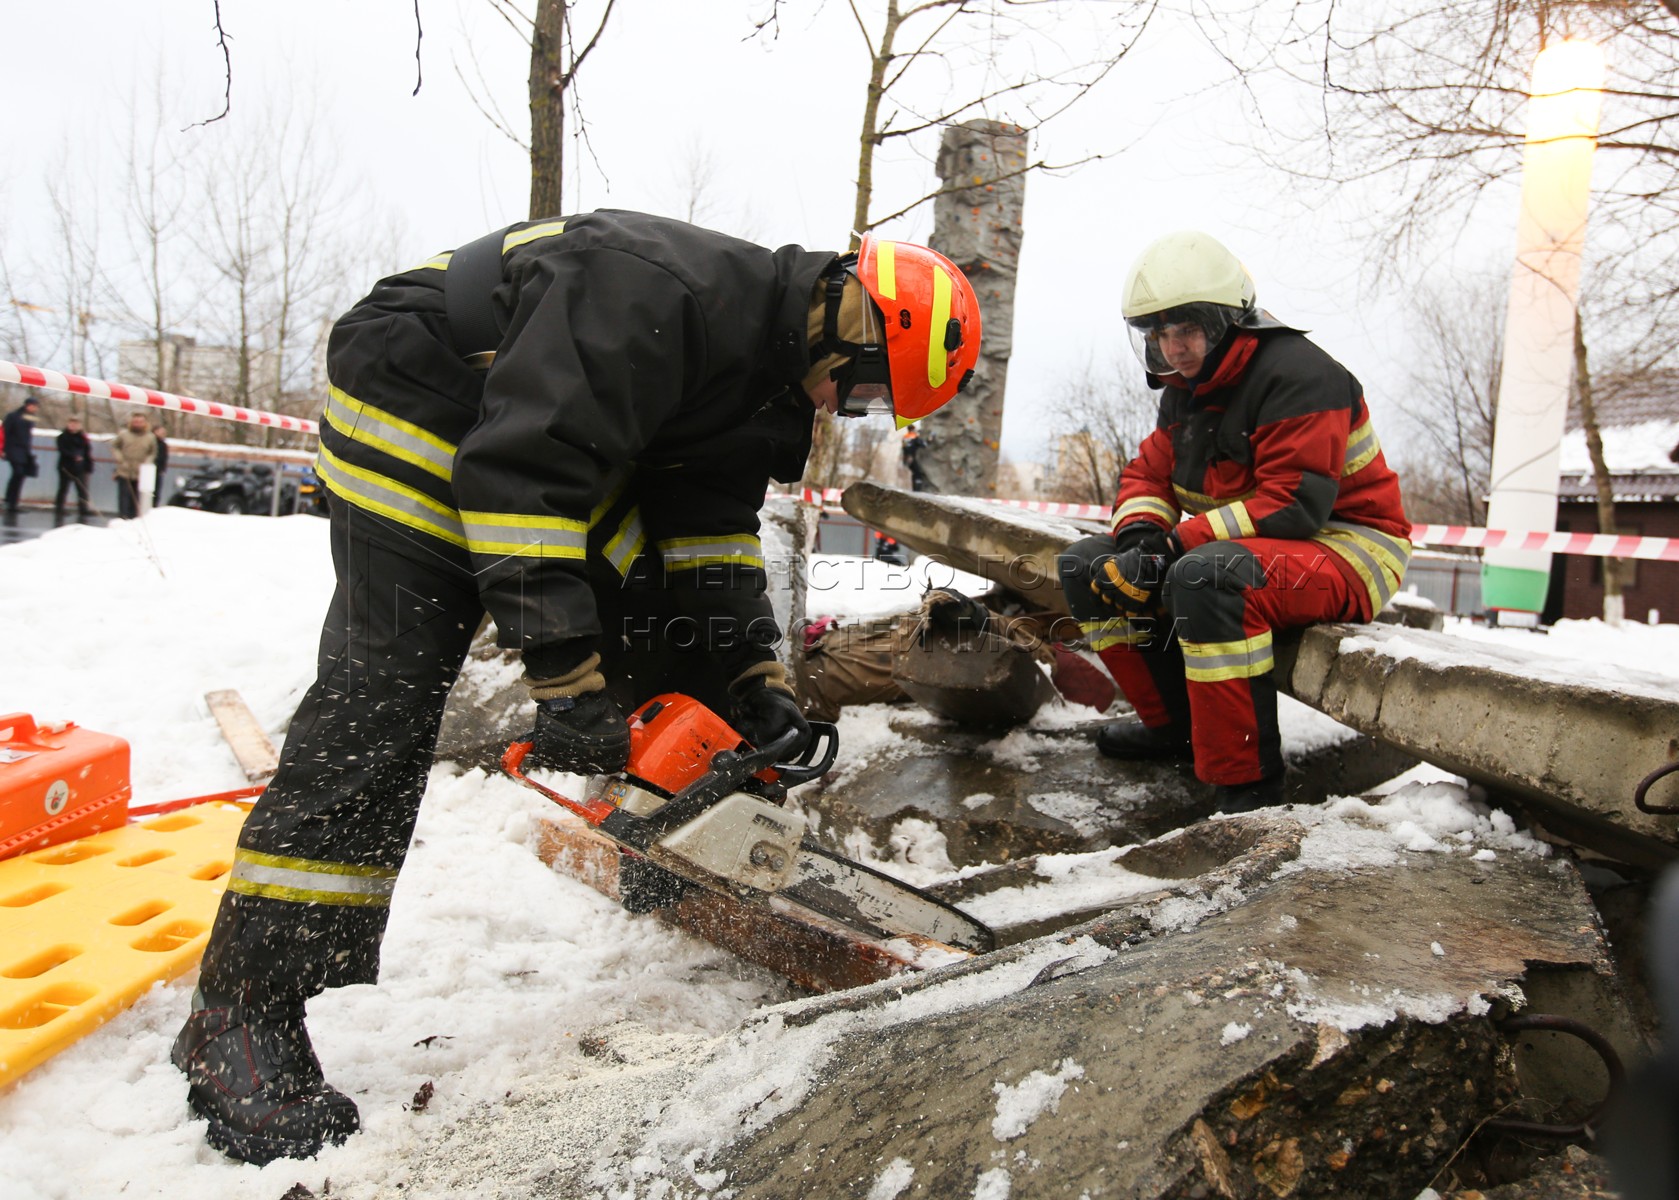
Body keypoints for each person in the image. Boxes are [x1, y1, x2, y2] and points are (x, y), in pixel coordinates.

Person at [169, 210, 982, 1166]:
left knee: (667, 620)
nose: (850, 410)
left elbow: (707, 535)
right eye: (866, 390)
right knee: (381, 705)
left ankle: (690, 838)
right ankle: (240, 1015)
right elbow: (524, 473)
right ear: (850, 319)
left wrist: (754, 677)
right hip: (418, 401)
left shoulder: (768, 388)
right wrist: (568, 683)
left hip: (520, 442)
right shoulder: (652, 292)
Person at [1059, 230, 1410, 813]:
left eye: (1186, 329)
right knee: (1085, 566)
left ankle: (1247, 782)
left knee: (1206, 576)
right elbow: (1147, 476)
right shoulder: (1187, 391)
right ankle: (1172, 725)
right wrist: (1142, 542)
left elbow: (1293, 504)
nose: (1173, 348)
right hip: (1264, 551)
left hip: (1352, 551)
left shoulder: (1302, 376)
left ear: (1228, 320)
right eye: (1159, 333)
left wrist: (1172, 548)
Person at [110, 411, 157, 519]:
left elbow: (153, 452)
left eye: (140, 422)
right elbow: (115, 446)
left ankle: (134, 518)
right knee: (124, 497)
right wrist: (120, 458)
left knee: (136, 498)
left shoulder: (150, 437)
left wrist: (147, 463)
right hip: (124, 470)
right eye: (135, 421)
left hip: (141, 472)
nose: (138, 424)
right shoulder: (124, 434)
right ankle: (122, 517)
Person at [3, 397, 40, 517]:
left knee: (20, 475)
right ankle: (10, 501)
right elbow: (4, 432)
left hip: (24, 451)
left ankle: (12, 502)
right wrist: (2, 449)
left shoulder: (30, 418)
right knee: (18, 472)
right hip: (13, 449)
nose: (34, 408)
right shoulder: (13, 416)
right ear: (27, 405)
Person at [54, 415, 95, 523]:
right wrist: (74, 456)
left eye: (76, 424)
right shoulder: (63, 437)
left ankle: (83, 509)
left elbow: (87, 453)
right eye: (71, 423)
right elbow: (62, 450)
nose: (73, 426)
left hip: (80, 468)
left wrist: (89, 465)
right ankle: (59, 508)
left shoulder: (83, 438)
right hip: (66, 466)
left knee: (82, 489)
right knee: (63, 488)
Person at [900, 424, 934, 492]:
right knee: (918, 473)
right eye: (915, 430)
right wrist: (930, 438)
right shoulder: (915, 437)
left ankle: (914, 488)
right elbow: (924, 444)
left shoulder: (905, 437)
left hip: (905, 458)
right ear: (913, 430)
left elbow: (905, 447)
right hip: (911, 458)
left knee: (914, 472)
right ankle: (917, 489)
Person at [151, 422, 169, 506]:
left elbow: (164, 458)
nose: (163, 434)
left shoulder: (163, 444)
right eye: (161, 432)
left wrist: (162, 469)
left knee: (156, 493)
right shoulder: (151, 442)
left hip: (158, 471)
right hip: (149, 469)